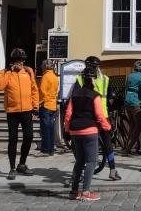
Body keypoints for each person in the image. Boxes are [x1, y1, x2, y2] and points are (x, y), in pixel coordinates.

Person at [64, 65, 112, 201]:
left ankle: (74, 191)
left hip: (75, 130)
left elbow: (68, 114)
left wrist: (67, 130)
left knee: (79, 160)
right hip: (89, 131)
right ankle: (85, 191)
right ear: (93, 80)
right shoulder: (94, 96)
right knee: (91, 161)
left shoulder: (74, 95)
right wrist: (107, 127)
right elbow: (99, 116)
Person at [0, 49, 39, 180]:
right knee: (13, 139)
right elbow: (0, 86)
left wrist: (36, 106)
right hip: (12, 111)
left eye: (21, 61)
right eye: (17, 61)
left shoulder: (28, 71)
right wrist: (10, 72)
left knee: (29, 137)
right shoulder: (4, 72)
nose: (20, 63)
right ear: (12, 61)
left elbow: (34, 89)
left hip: (27, 110)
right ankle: (12, 168)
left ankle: (22, 163)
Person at [82, 56, 120, 180]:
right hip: (103, 115)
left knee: (84, 143)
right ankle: (113, 170)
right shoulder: (105, 79)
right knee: (108, 143)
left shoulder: (81, 78)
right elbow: (111, 97)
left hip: (88, 115)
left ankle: (81, 172)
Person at [123, 60, 141, 155]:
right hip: (137, 103)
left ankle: (127, 146)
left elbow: (126, 88)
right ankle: (128, 149)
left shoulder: (129, 76)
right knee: (138, 127)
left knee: (132, 126)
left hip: (128, 102)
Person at [38, 63, 60, 157]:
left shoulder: (45, 76)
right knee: (51, 128)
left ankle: (45, 149)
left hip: (46, 104)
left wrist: (40, 102)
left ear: (45, 66)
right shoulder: (55, 76)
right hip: (53, 105)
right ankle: (51, 149)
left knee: (45, 129)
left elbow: (42, 91)